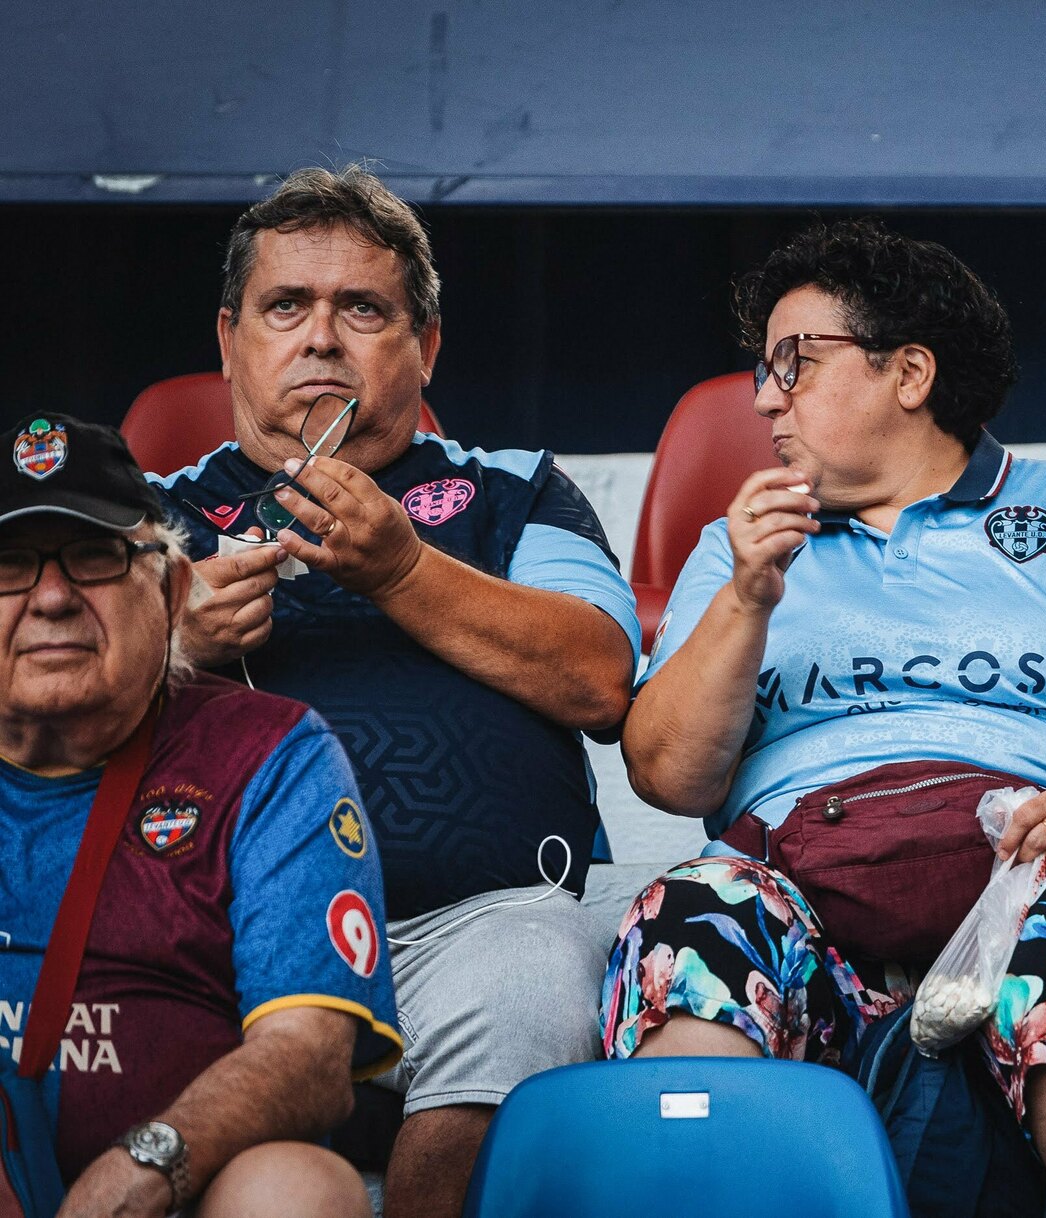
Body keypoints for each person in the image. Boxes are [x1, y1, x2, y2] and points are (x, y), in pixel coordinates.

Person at [605, 219, 1046, 1217]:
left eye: (794, 363)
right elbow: (670, 777)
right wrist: (747, 595)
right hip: (809, 906)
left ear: (909, 374)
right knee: (692, 919)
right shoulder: (740, 551)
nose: (766, 395)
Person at [149, 166, 642, 1218]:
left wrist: (406, 571)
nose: (320, 339)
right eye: (288, 307)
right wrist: (164, 639)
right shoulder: (146, 513)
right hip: (215, 931)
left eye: (361, 309)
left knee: (532, 976)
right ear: (232, 340)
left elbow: (601, 678)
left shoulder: (514, 488)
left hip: (486, 921)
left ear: (423, 349)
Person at [0, 414, 399, 1218]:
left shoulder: (270, 755)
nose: (50, 597)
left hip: (182, 1193)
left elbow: (309, 1058)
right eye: (8, 565)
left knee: (298, 1191)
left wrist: (144, 1169)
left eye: (94, 557)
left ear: (173, 589)